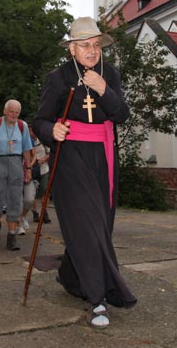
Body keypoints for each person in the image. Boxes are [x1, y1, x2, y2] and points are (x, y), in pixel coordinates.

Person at [33, 17, 136, 328]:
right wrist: (53, 130)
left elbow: (122, 114)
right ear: (72, 49)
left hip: (103, 155)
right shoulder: (59, 77)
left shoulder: (111, 74)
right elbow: (39, 121)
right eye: (85, 45)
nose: (92, 51)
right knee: (87, 225)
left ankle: (71, 275)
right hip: (70, 157)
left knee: (99, 225)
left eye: (96, 45)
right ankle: (99, 297)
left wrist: (104, 89)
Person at [0, 100, 34, 251]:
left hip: (16, 163)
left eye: (17, 112)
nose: (14, 115)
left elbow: (26, 149)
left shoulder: (22, 125)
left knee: (15, 199)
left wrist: (28, 168)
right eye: (11, 111)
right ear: (5, 111)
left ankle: (11, 236)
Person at [29, 127, 52, 225]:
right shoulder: (26, 141)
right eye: (30, 131)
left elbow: (50, 153)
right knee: (33, 192)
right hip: (32, 170)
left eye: (33, 130)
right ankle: (35, 212)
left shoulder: (43, 140)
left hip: (43, 169)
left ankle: (44, 211)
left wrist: (43, 159)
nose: (32, 133)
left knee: (45, 191)